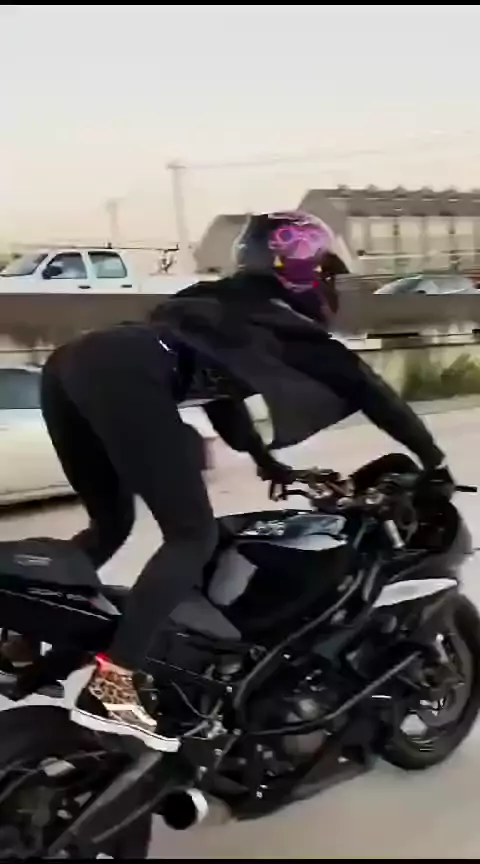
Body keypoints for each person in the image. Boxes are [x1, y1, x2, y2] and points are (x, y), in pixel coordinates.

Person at [0, 211, 449, 751]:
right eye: (327, 274)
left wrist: (266, 462)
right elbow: (374, 392)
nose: (330, 288)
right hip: (129, 375)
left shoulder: (221, 304)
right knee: (193, 535)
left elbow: (221, 398)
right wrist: (435, 463)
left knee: (112, 523)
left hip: (73, 365)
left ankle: (22, 637)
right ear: (303, 271)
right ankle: (115, 682)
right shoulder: (285, 325)